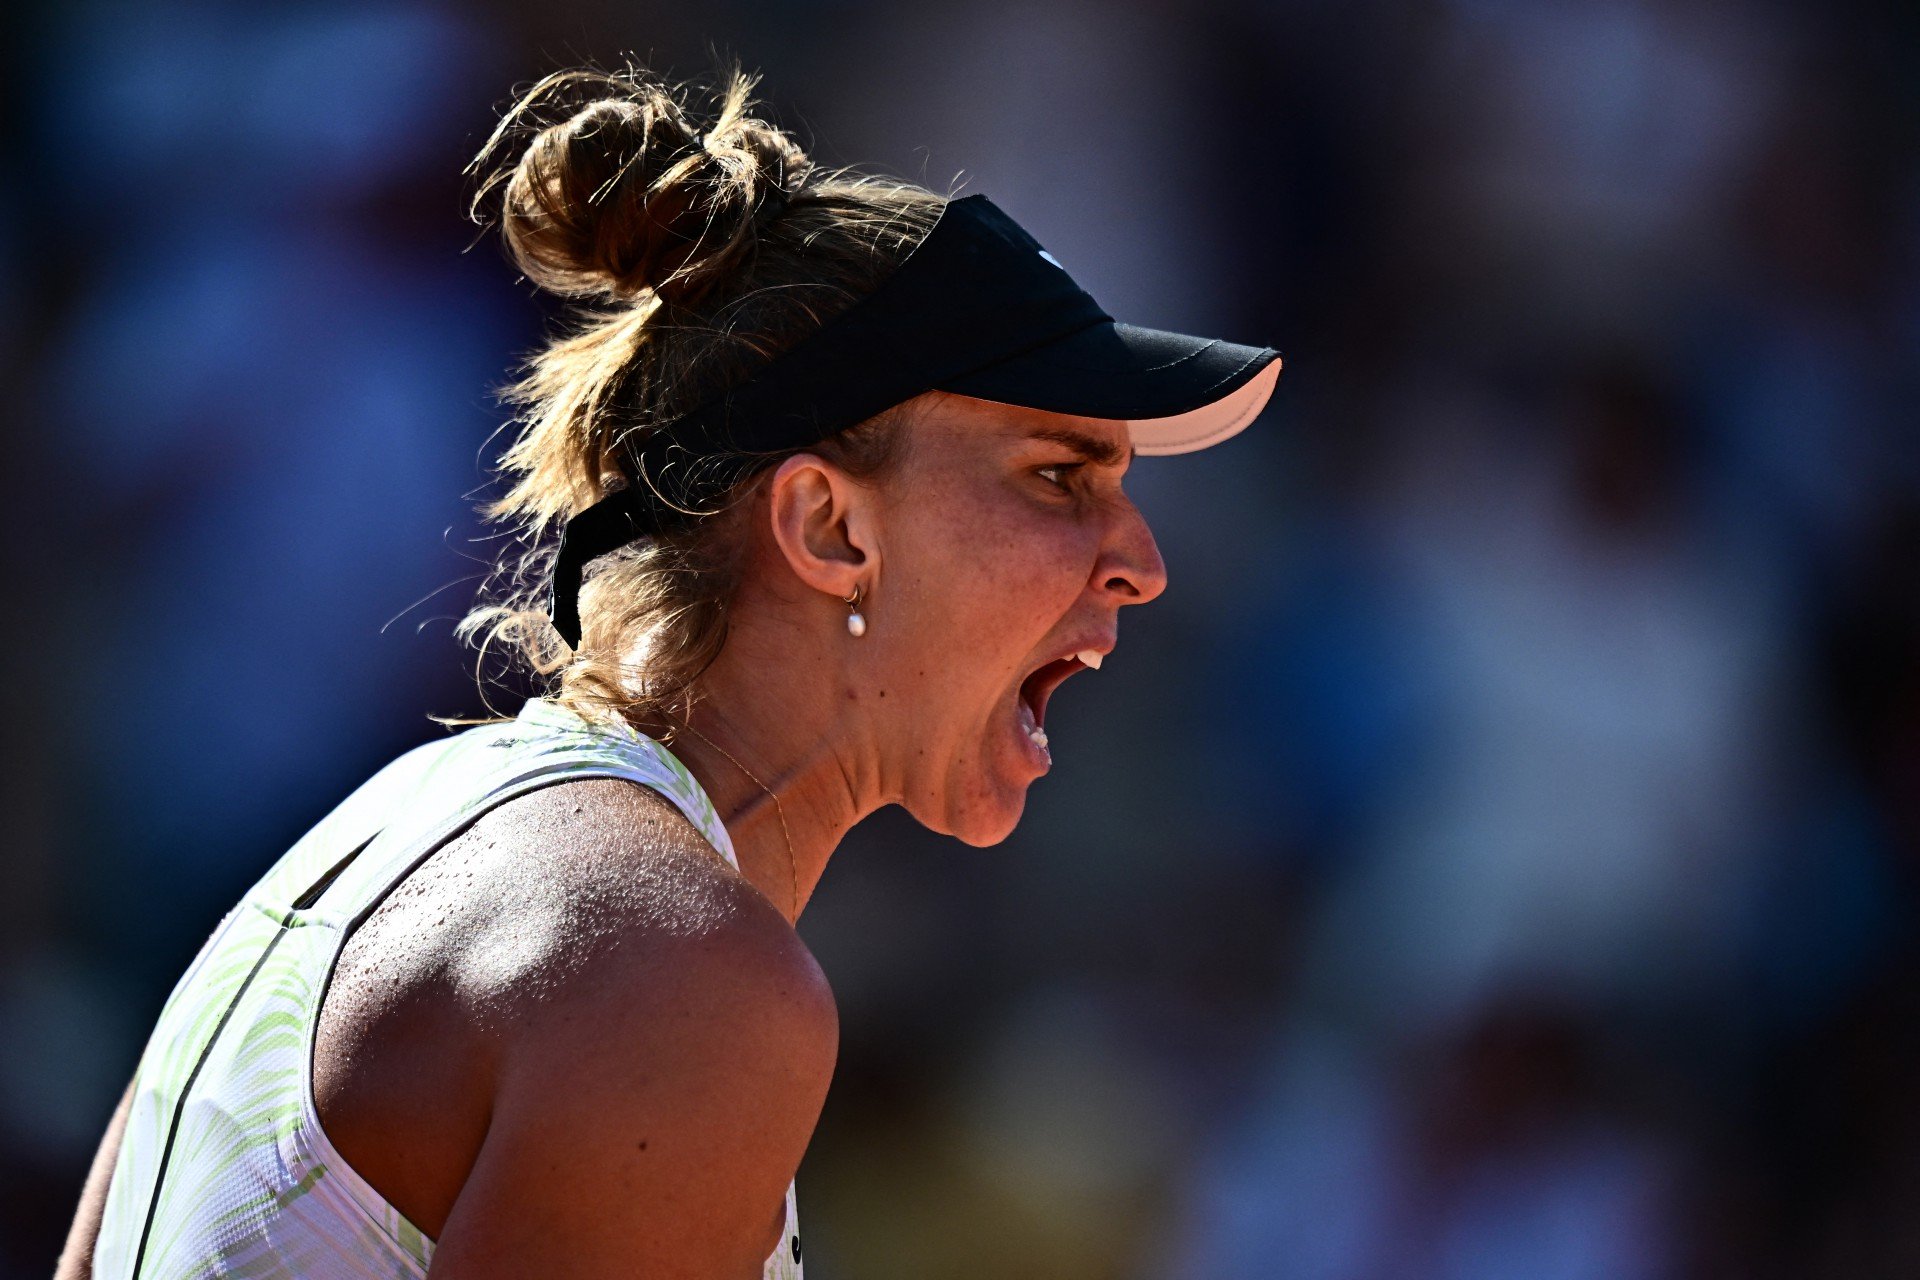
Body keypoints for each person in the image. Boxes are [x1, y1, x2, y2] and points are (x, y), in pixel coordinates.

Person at [57, 62, 1281, 1279]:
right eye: (1059, 477)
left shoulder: (388, 824)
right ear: (830, 529)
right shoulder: (684, 977)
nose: (1142, 563)